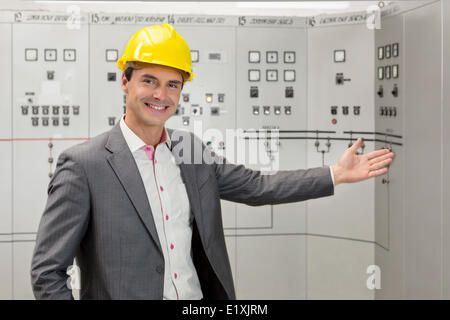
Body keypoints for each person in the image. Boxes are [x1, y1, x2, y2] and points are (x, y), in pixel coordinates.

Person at [30, 24, 394, 300]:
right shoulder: (84, 165)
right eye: (149, 81)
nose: (161, 95)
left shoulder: (192, 152)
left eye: (173, 85)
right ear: (125, 82)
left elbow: (259, 186)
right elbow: (47, 272)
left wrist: (335, 174)